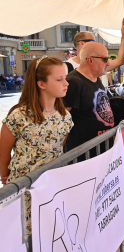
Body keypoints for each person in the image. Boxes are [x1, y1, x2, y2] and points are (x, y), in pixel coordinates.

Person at [0, 56, 73, 235]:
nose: (66, 83)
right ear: (41, 84)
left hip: (51, 186)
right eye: (59, 79)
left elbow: (59, 148)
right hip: (23, 187)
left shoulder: (65, 117)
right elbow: (3, 151)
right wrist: (4, 175)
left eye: (65, 78)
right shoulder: (19, 115)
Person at [63, 42, 115, 158]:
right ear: (90, 60)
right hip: (84, 156)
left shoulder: (96, 79)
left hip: (101, 151)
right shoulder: (73, 82)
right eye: (105, 59)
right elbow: (61, 121)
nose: (108, 63)